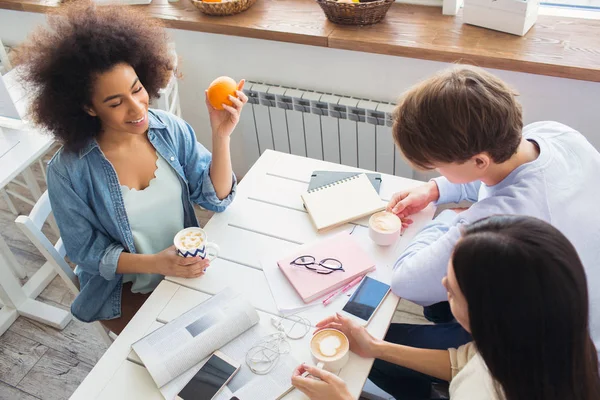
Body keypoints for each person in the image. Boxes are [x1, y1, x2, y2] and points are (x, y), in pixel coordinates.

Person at [366, 65, 600, 397]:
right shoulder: (553, 134)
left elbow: (406, 281)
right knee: (442, 299)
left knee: (376, 342)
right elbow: (495, 177)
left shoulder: (502, 219)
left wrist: (448, 219)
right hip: (564, 294)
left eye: (437, 166)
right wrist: (437, 190)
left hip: (566, 354)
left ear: (477, 162)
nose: (436, 172)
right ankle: (451, 334)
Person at [14, 1, 247, 334]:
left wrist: (221, 135)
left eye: (137, 89)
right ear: (88, 108)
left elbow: (216, 198)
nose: (137, 107)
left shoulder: (169, 129)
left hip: (188, 269)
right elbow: (85, 252)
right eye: (115, 102)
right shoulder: (68, 171)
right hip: (123, 291)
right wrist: (156, 263)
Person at [291, 216, 600, 400]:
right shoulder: (549, 339)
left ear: (489, 316)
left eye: (451, 290)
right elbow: (464, 362)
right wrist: (376, 347)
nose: (442, 285)